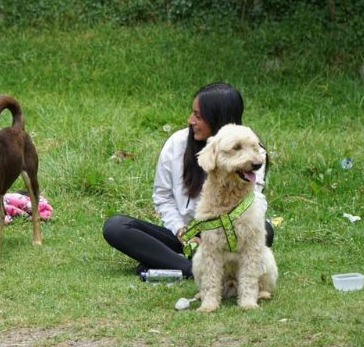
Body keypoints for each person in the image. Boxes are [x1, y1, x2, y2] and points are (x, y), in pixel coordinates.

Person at [102, 82, 274, 279]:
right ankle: (191, 268)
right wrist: (182, 232)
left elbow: (255, 199)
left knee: (266, 229)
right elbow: (163, 196)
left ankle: (169, 262)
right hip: (182, 235)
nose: (190, 120)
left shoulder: (253, 153)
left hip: (227, 236)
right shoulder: (177, 143)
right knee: (116, 227)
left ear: (218, 118)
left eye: (198, 116)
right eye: (192, 113)